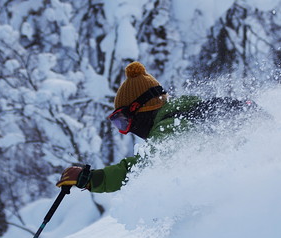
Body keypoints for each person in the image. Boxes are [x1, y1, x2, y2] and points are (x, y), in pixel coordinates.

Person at [57, 61, 260, 193]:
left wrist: (92, 179)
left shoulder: (172, 126)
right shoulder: (187, 114)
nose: (127, 129)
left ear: (140, 109)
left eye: (124, 121)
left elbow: (143, 168)